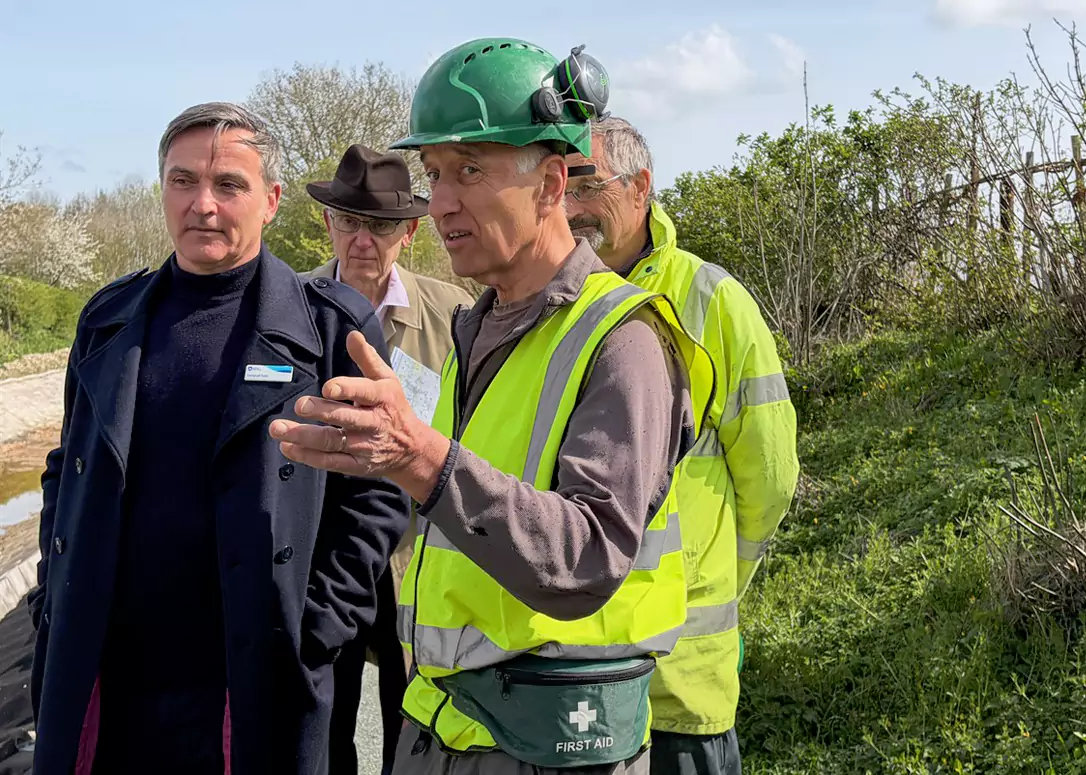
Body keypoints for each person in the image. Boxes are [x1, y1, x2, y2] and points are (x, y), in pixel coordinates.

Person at [268, 37, 717, 774]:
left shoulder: (623, 340)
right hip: (449, 724)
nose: (441, 201)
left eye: (470, 170)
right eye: (436, 172)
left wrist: (420, 456)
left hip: (555, 740)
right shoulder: (475, 325)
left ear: (549, 184)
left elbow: (587, 553)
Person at [26, 101, 411, 775]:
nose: (203, 204)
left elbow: (376, 496)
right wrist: (55, 593)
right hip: (111, 677)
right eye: (182, 182)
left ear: (271, 199)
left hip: (250, 681)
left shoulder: (331, 331)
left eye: (228, 185)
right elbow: (68, 465)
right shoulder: (108, 319)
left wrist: (314, 628)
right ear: (163, 189)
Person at [564, 116, 800, 775]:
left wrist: (713, 573)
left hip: (679, 682)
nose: (571, 208)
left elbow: (772, 475)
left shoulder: (710, 300)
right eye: (561, 189)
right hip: (567, 671)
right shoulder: (547, 302)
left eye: (588, 185)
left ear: (641, 187)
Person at [302, 142, 476, 774]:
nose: (363, 240)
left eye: (379, 225)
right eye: (350, 222)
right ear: (329, 223)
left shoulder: (453, 314)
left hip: (417, 556)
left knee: (413, 720)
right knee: (325, 719)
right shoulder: (292, 310)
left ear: (407, 230)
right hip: (328, 556)